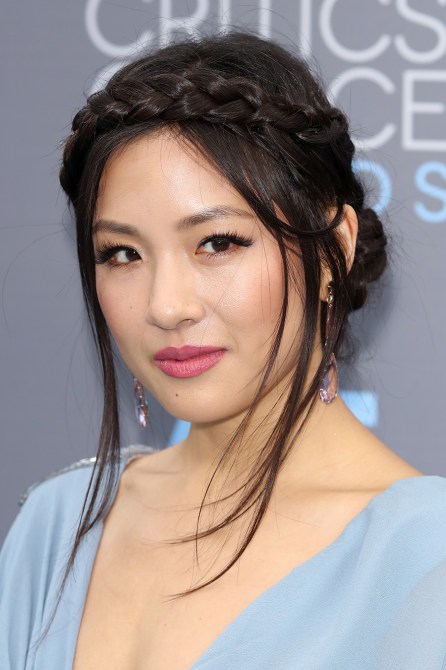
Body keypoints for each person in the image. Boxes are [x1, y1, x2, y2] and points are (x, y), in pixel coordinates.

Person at [1, 30, 446, 670]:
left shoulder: (423, 559)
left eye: (217, 243)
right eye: (121, 253)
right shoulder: (57, 525)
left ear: (334, 250)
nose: (165, 306)